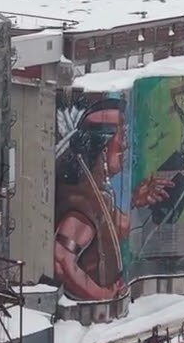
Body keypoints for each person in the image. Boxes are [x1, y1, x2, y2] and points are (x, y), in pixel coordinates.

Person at [54, 99, 172, 300]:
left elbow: (116, 230)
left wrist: (134, 201)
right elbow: (61, 260)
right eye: (122, 136)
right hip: (91, 313)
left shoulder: (96, 195)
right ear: (103, 146)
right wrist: (102, 295)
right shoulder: (81, 204)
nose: (125, 145)